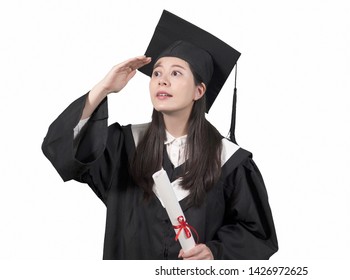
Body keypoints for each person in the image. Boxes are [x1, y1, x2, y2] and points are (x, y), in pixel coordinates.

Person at [42, 10, 278, 260]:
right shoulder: (123, 147)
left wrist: (215, 252)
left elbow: (257, 235)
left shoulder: (230, 161)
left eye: (176, 73)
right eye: (156, 73)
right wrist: (103, 89)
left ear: (199, 91)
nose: (162, 81)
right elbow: (65, 155)